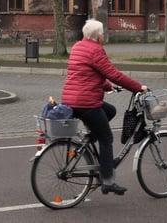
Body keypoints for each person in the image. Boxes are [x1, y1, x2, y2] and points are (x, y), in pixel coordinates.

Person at [61, 19, 147, 196]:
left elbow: (88, 73)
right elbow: (113, 73)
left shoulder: (78, 46)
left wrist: (108, 87)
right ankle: (108, 181)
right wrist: (138, 87)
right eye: (103, 33)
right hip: (86, 102)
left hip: (71, 100)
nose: (104, 36)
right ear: (98, 36)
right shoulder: (96, 50)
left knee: (110, 111)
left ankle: (89, 138)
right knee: (106, 138)